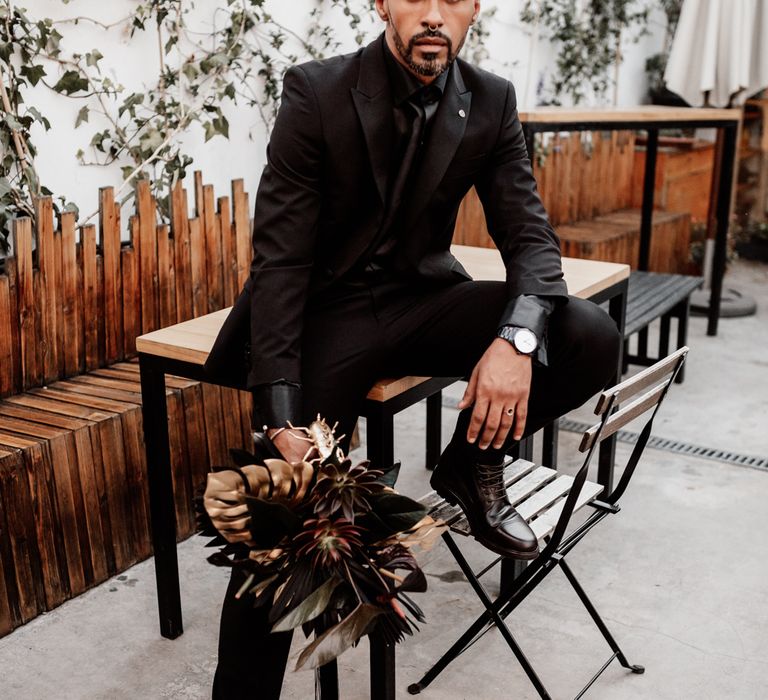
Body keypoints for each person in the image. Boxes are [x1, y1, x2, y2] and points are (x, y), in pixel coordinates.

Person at [204, 1, 620, 696]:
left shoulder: (490, 100)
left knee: (588, 336)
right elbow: (280, 260)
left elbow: (531, 240)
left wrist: (516, 341)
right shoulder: (316, 89)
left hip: (425, 299)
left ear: (474, 10)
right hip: (327, 314)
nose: (433, 14)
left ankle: (468, 464)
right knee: (278, 518)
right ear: (382, 3)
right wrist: (278, 414)